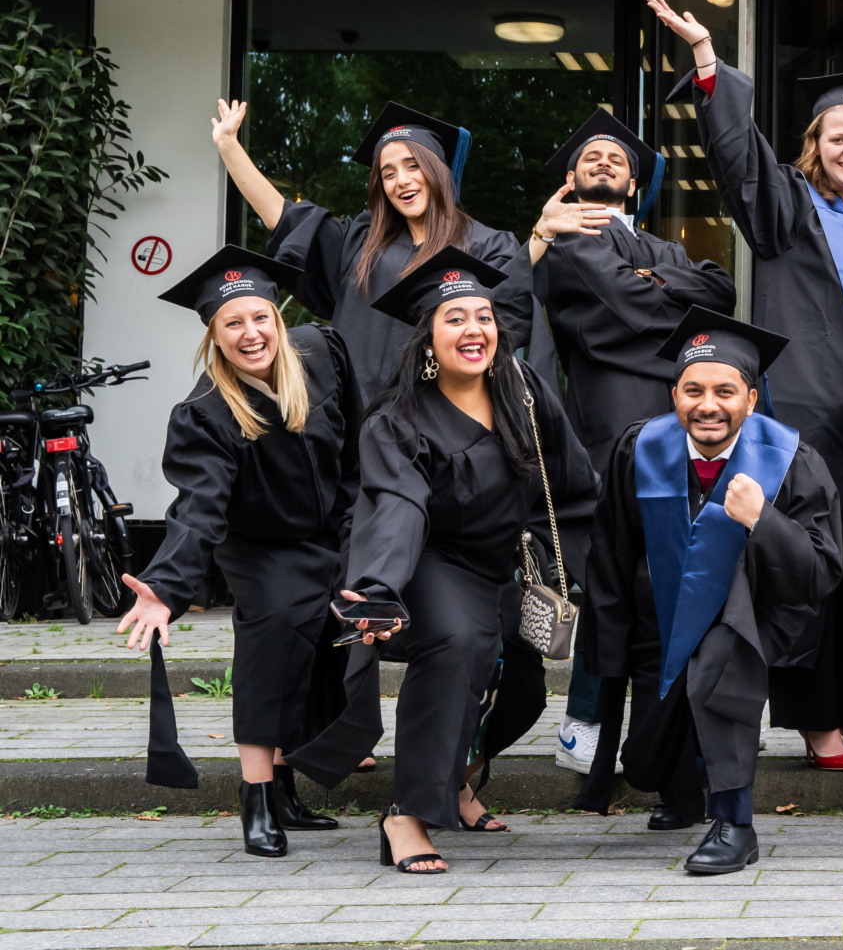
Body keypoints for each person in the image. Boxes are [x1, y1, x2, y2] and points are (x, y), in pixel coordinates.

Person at [650, 0, 843, 767]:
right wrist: (707, 62)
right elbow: (739, 163)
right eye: (837, 136)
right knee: (815, 558)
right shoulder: (789, 206)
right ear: (816, 144)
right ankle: (815, 719)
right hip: (811, 406)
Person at [286, 248, 598, 874]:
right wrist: (379, 587)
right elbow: (397, 504)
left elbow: (571, 480)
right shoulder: (399, 418)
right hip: (429, 558)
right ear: (428, 335)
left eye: (483, 316)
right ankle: (406, 813)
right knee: (457, 645)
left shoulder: (526, 391)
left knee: (523, 691)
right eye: (455, 318)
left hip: (507, 562)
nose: (474, 330)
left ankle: (457, 777)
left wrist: (574, 557)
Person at [575, 307, 841, 873]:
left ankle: (734, 824)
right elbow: (612, 552)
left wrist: (762, 519)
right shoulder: (641, 449)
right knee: (644, 763)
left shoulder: (792, 460)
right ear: (674, 395)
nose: (708, 405)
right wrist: (610, 644)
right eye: (693, 390)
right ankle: (682, 787)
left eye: (725, 390)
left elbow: (820, 572)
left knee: (725, 655)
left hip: (761, 610)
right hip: (663, 612)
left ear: (750, 397)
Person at [118, 248, 359, 858]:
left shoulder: (322, 356)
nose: (251, 334)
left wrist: (365, 531)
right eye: (233, 324)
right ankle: (255, 797)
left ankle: (284, 788)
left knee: (325, 643)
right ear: (213, 335)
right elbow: (199, 509)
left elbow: (358, 448)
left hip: (332, 534)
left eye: (260, 318)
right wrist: (167, 590)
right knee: (275, 629)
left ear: (277, 316)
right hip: (259, 548)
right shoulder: (205, 415)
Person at [528, 108, 736, 773]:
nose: (607, 160)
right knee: (606, 583)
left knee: (671, 578)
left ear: (636, 184)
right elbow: (627, 312)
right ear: (570, 176)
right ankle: (584, 731)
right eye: (592, 155)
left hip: (677, 434)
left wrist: (652, 285)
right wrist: (663, 303)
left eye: (620, 158)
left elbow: (720, 292)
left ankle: (667, 728)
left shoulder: (665, 249)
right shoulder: (566, 241)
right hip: (605, 431)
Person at [212, 100, 532, 405]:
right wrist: (229, 146)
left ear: (438, 170)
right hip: (348, 420)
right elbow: (284, 218)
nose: (401, 181)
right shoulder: (362, 239)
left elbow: (503, 329)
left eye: (413, 166)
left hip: (433, 428)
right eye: (388, 173)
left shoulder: (488, 246)